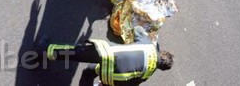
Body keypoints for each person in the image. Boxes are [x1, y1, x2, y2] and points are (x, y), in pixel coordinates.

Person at [45, 29, 173, 85]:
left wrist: (147, 32)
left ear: (162, 52)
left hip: (109, 53)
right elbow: (131, 83)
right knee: (90, 71)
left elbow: (138, 29)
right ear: (160, 68)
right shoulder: (148, 74)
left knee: (76, 53)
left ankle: (45, 51)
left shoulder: (149, 45)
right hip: (111, 78)